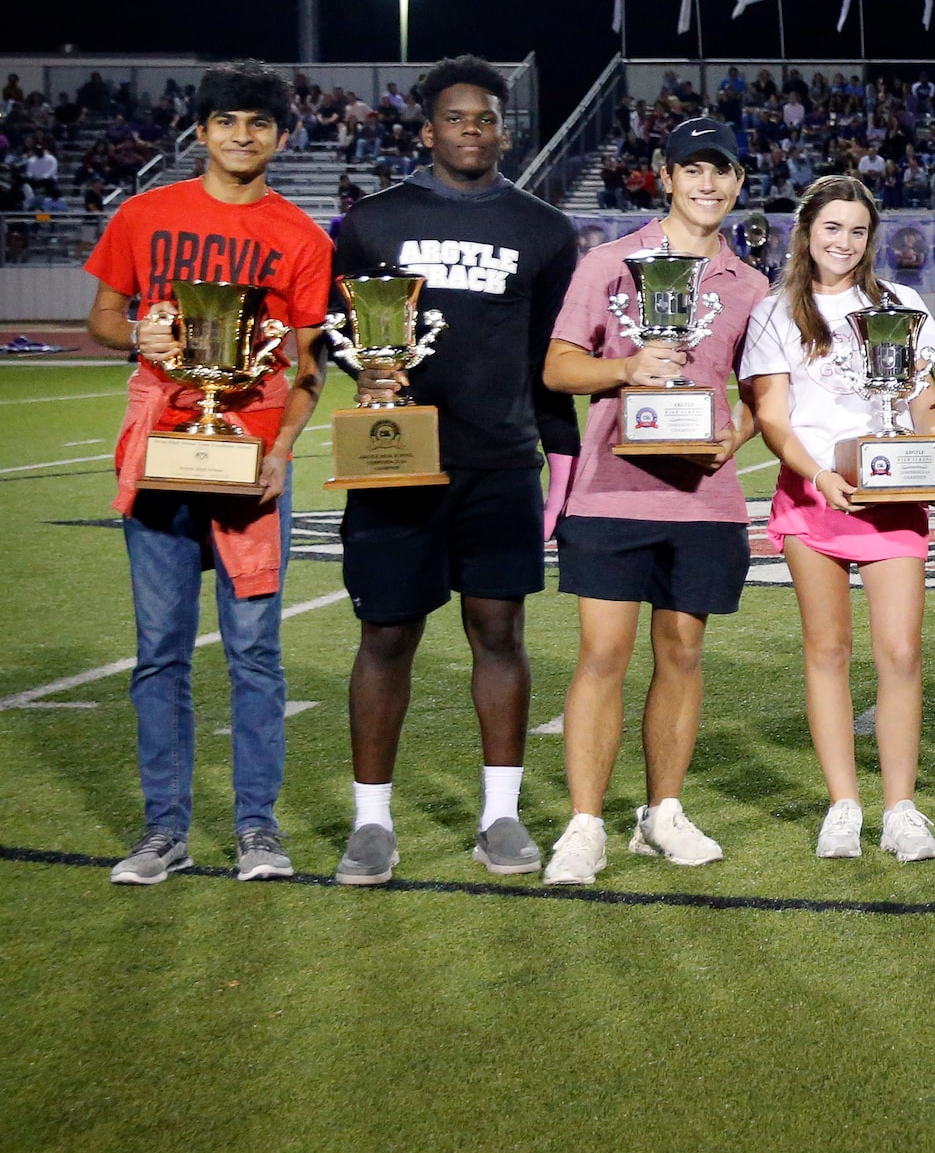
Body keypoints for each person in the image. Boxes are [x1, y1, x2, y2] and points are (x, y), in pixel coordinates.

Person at [327, 57, 580, 886]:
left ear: (502, 130)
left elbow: (550, 355)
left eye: (486, 119)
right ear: (428, 129)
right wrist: (362, 377)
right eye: (456, 118)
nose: (472, 130)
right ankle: (372, 824)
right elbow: (342, 337)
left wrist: (563, 456)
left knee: (500, 633)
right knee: (388, 634)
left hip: (500, 462)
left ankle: (499, 816)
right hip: (395, 458)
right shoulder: (371, 222)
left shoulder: (543, 229)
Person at [86, 61, 333, 886]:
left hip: (251, 460)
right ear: (200, 130)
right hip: (161, 449)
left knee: (255, 652)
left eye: (259, 124)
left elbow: (309, 361)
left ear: (282, 138)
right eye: (226, 120)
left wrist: (284, 448)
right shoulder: (144, 214)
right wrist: (138, 338)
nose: (242, 135)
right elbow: (103, 314)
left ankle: (257, 830)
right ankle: (165, 831)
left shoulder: (302, 236)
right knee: (159, 650)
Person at [538, 118, 769, 885]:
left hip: (702, 500)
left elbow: (765, 394)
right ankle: (583, 825)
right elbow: (561, 368)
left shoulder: (752, 285)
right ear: (664, 176)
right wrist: (628, 367)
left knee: (683, 653)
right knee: (602, 655)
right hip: (612, 490)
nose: (708, 185)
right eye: (693, 171)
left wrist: (732, 440)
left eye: (722, 172)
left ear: (738, 183)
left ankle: (661, 813)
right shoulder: (608, 263)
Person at [744, 173, 935, 862]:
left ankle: (901, 808)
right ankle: (844, 804)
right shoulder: (777, 312)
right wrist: (819, 476)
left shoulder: (899, 302)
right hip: (815, 496)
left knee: (900, 652)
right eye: (832, 227)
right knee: (828, 650)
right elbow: (773, 418)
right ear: (807, 231)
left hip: (892, 498)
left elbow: (927, 401)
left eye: (857, 230)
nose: (844, 241)